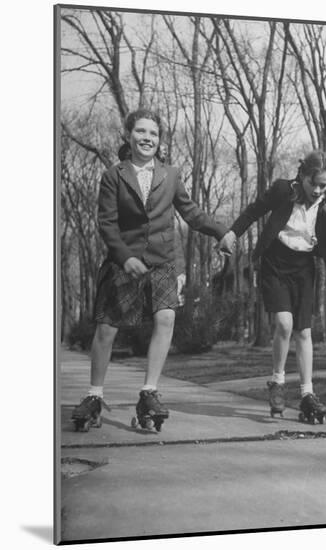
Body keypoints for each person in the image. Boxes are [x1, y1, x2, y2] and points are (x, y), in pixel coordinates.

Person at [72, 108, 230, 432]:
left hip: (162, 260)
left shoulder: (170, 175)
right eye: (141, 132)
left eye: (154, 134)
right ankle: (94, 395)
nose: (148, 138)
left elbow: (191, 212)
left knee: (166, 317)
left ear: (160, 140)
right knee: (107, 329)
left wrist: (220, 231)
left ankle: (149, 391)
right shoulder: (113, 176)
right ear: (129, 136)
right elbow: (107, 223)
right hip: (124, 261)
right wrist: (124, 256)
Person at [219, 150, 326, 423]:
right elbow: (254, 210)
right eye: (313, 184)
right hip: (275, 263)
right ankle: (278, 381)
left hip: (304, 268)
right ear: (302, 176)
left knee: (304, 332)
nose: (318, 190)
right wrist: (232, 233)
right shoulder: (284, 190)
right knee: (284, 324)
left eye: (323, 185)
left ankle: (308, 394)